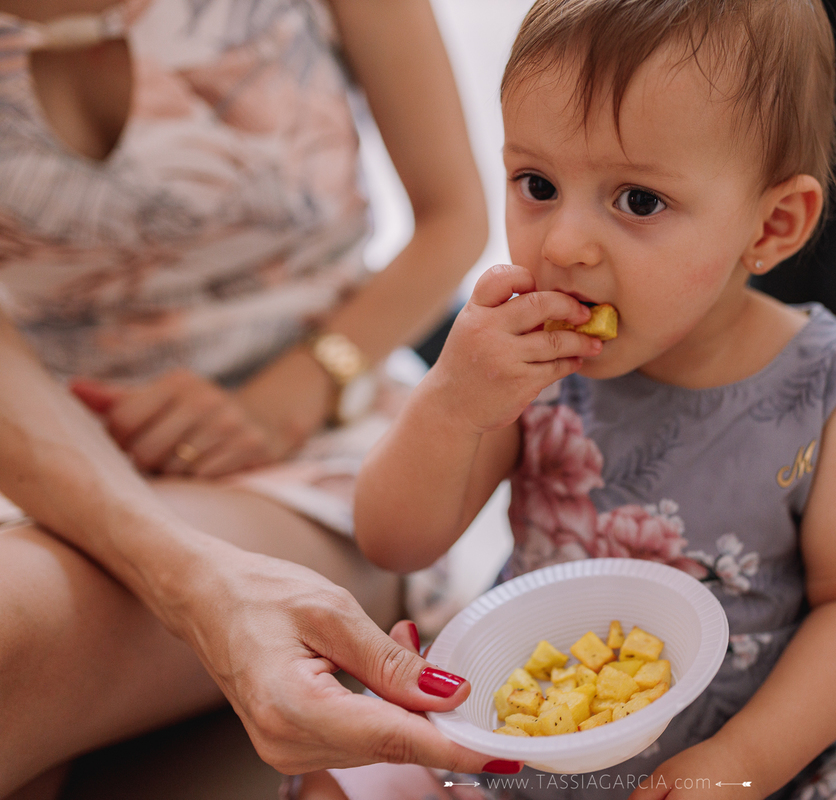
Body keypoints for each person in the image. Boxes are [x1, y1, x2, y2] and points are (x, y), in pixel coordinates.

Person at [296, 1, 836, 799]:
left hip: (775, 739)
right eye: (538, 184)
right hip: (546, 730)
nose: (563, 245)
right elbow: (396, 541)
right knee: (346, 777)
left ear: (771, 226)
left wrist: (740, 765)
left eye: (637, 201)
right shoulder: (531, 367)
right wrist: (452, 403)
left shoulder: (827, 388)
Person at [0, 0, 522, 796]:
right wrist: (188, 576)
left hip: (306, 442)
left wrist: (297, 388)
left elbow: (455, 218)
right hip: (43, 459)